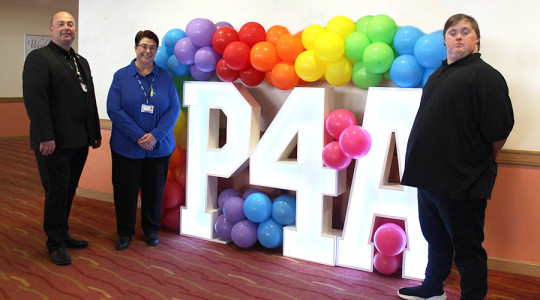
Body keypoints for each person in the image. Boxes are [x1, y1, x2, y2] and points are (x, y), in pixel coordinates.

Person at [398, 14, 514, 300]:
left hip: (462, 181)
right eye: (453, 32)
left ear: (477, 39)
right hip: (428, 178)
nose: (458, 36)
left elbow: (500, 130)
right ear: (445, 39)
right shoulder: (438, 75)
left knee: (467, 248)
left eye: (465, 31)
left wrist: (476, 162)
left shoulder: (487, 77)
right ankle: (432, 288)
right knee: (435, 240)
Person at [22, 11, 102, 266]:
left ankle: (63, 234)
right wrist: (46, 136)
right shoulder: (39, 58)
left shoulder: (80, 61)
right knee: (56, 192)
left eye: (70, 24)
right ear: (51, 29)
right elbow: (36, 100)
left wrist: (94, 133)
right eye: (61, 24)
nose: (66, 28)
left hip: (78, 141)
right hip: (53, 143)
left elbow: (89, 98)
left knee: (68, 191)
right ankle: (54, 243)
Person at [107, 30, 180, 251]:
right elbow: (114, 110)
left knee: (154, 191)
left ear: (156, 51)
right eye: (143, 46)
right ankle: (125, 233)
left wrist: (155, 135)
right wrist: (139, 136)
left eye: (152, 47)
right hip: (126, 147)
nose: (147, 51)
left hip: (159, 148)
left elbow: (174, 108)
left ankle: (151, 230)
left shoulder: (165, 78)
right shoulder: (121, 76)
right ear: (136, 48)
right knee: (125, 191)